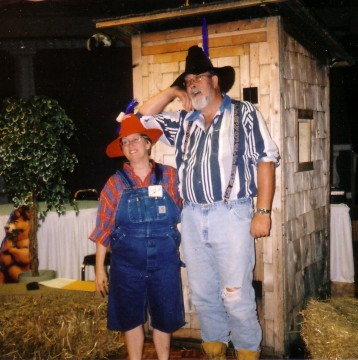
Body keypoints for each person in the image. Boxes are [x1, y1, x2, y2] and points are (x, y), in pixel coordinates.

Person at [136, 45, 280, 359]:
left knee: (235, 294)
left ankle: (246, 351)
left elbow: (266, 161)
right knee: (202, 294)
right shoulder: (183, 121)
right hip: (190, 216)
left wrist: (263, 212)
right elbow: (140, 119)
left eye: (199, 77)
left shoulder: (244, 113)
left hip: (232, 213)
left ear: (215, 81)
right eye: (188, 80)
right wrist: (172, 92)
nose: (193, 84)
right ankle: (214, 349)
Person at [89, 113, 185, 360]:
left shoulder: (171, 177)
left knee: (163, 318)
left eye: (135, 140)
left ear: (148, 143)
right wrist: (100, 269)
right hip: (126, 265)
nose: (131, 146)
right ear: (121, 149)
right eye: (125, 142)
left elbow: (188, 214)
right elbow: (103, 229)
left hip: (165, 262)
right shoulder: (114, 184)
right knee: (131, 318)